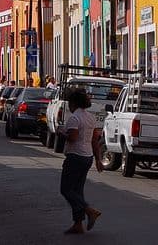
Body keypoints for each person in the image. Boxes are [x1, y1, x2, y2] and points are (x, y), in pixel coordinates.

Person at [58, 91, 103, 234]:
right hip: (87, 156)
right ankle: (78, 224)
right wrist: (98, 159)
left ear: (74, 103)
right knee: (77, 190)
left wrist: (61, 133)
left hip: (75, 156)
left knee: (66, 189)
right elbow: (95, 140)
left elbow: (73, 138)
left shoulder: (74, 118)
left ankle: (89, 210)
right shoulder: (91, 118)